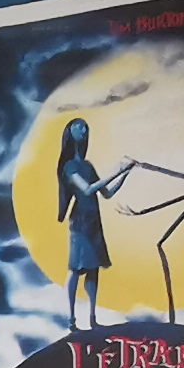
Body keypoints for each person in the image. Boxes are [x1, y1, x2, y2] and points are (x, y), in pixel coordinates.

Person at [47, 115, 123, 328]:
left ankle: (92, 318)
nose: (83, 129)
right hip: (80, 221)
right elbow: (88, 189)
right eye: (78, 127)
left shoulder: (88, 166)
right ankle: (71, 319)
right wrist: (116, 171)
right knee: (76, 268)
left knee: (93, 268)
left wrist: (124, 174)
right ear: (69, 133)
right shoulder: (69, 166)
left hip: (93, 220)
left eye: (85, 127)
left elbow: (106, 193)